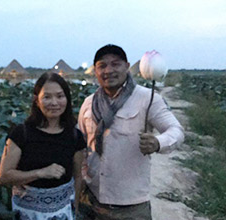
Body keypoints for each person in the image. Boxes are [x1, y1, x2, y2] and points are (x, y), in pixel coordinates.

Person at [78, 44, 184, 220]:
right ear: (95, 70)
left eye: (115, 64)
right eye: (102, 66)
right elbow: (79, 144)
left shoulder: (147, 99)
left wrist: (158, 143)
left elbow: (176, 131)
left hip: (131, 206)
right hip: (91, 199)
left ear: (127, 67)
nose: (108, 70)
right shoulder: (89, 103)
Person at [0, 72, 86, 220]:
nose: (54, 102)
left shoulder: (74, 136)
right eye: (47, 97)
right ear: (36, 100)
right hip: (27, 213)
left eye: (60, 96)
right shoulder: (21, 133)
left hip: (63, 213)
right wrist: (40, 173)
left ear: (67, 99)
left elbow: (78, 176)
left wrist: (75, 207)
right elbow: (4, 177)